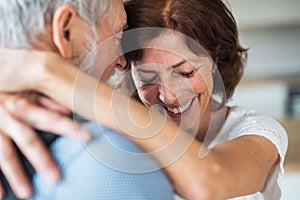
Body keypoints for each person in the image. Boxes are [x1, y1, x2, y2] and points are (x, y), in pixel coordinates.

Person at [0, 0, 288, 200]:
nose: (168, 95)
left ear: (217, 62)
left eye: (185, 72)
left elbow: (210, 180)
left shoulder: (257, 131)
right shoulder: (114, 129)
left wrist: (45, 71)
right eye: (148, 77)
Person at [0, 0, 174, 199]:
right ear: (66, 32)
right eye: (117, 37)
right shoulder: (111, 161)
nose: (121, 61)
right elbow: (211, 179)